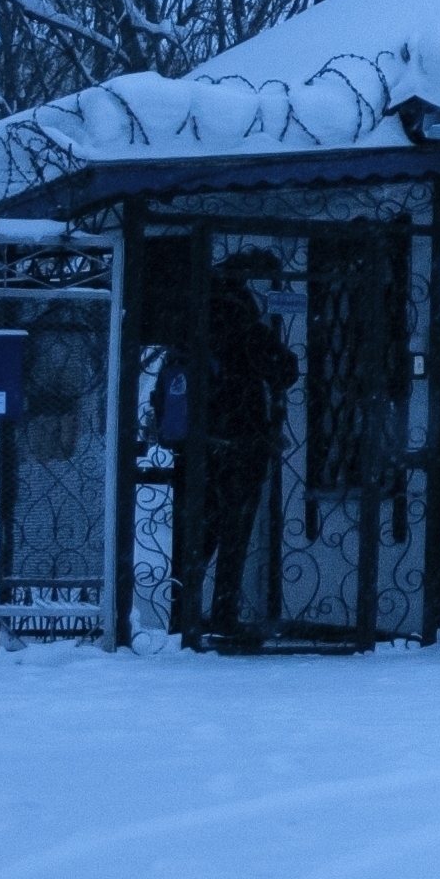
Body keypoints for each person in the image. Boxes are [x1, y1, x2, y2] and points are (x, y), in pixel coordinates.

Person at [170, 249, 298, 649]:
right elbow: (286, 369)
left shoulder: (189, 325)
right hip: (241, 443)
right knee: (234, 534)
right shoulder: (244, 325)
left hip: (197, 447)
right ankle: (223, 616)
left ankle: (184, 615)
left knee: (197, 535)